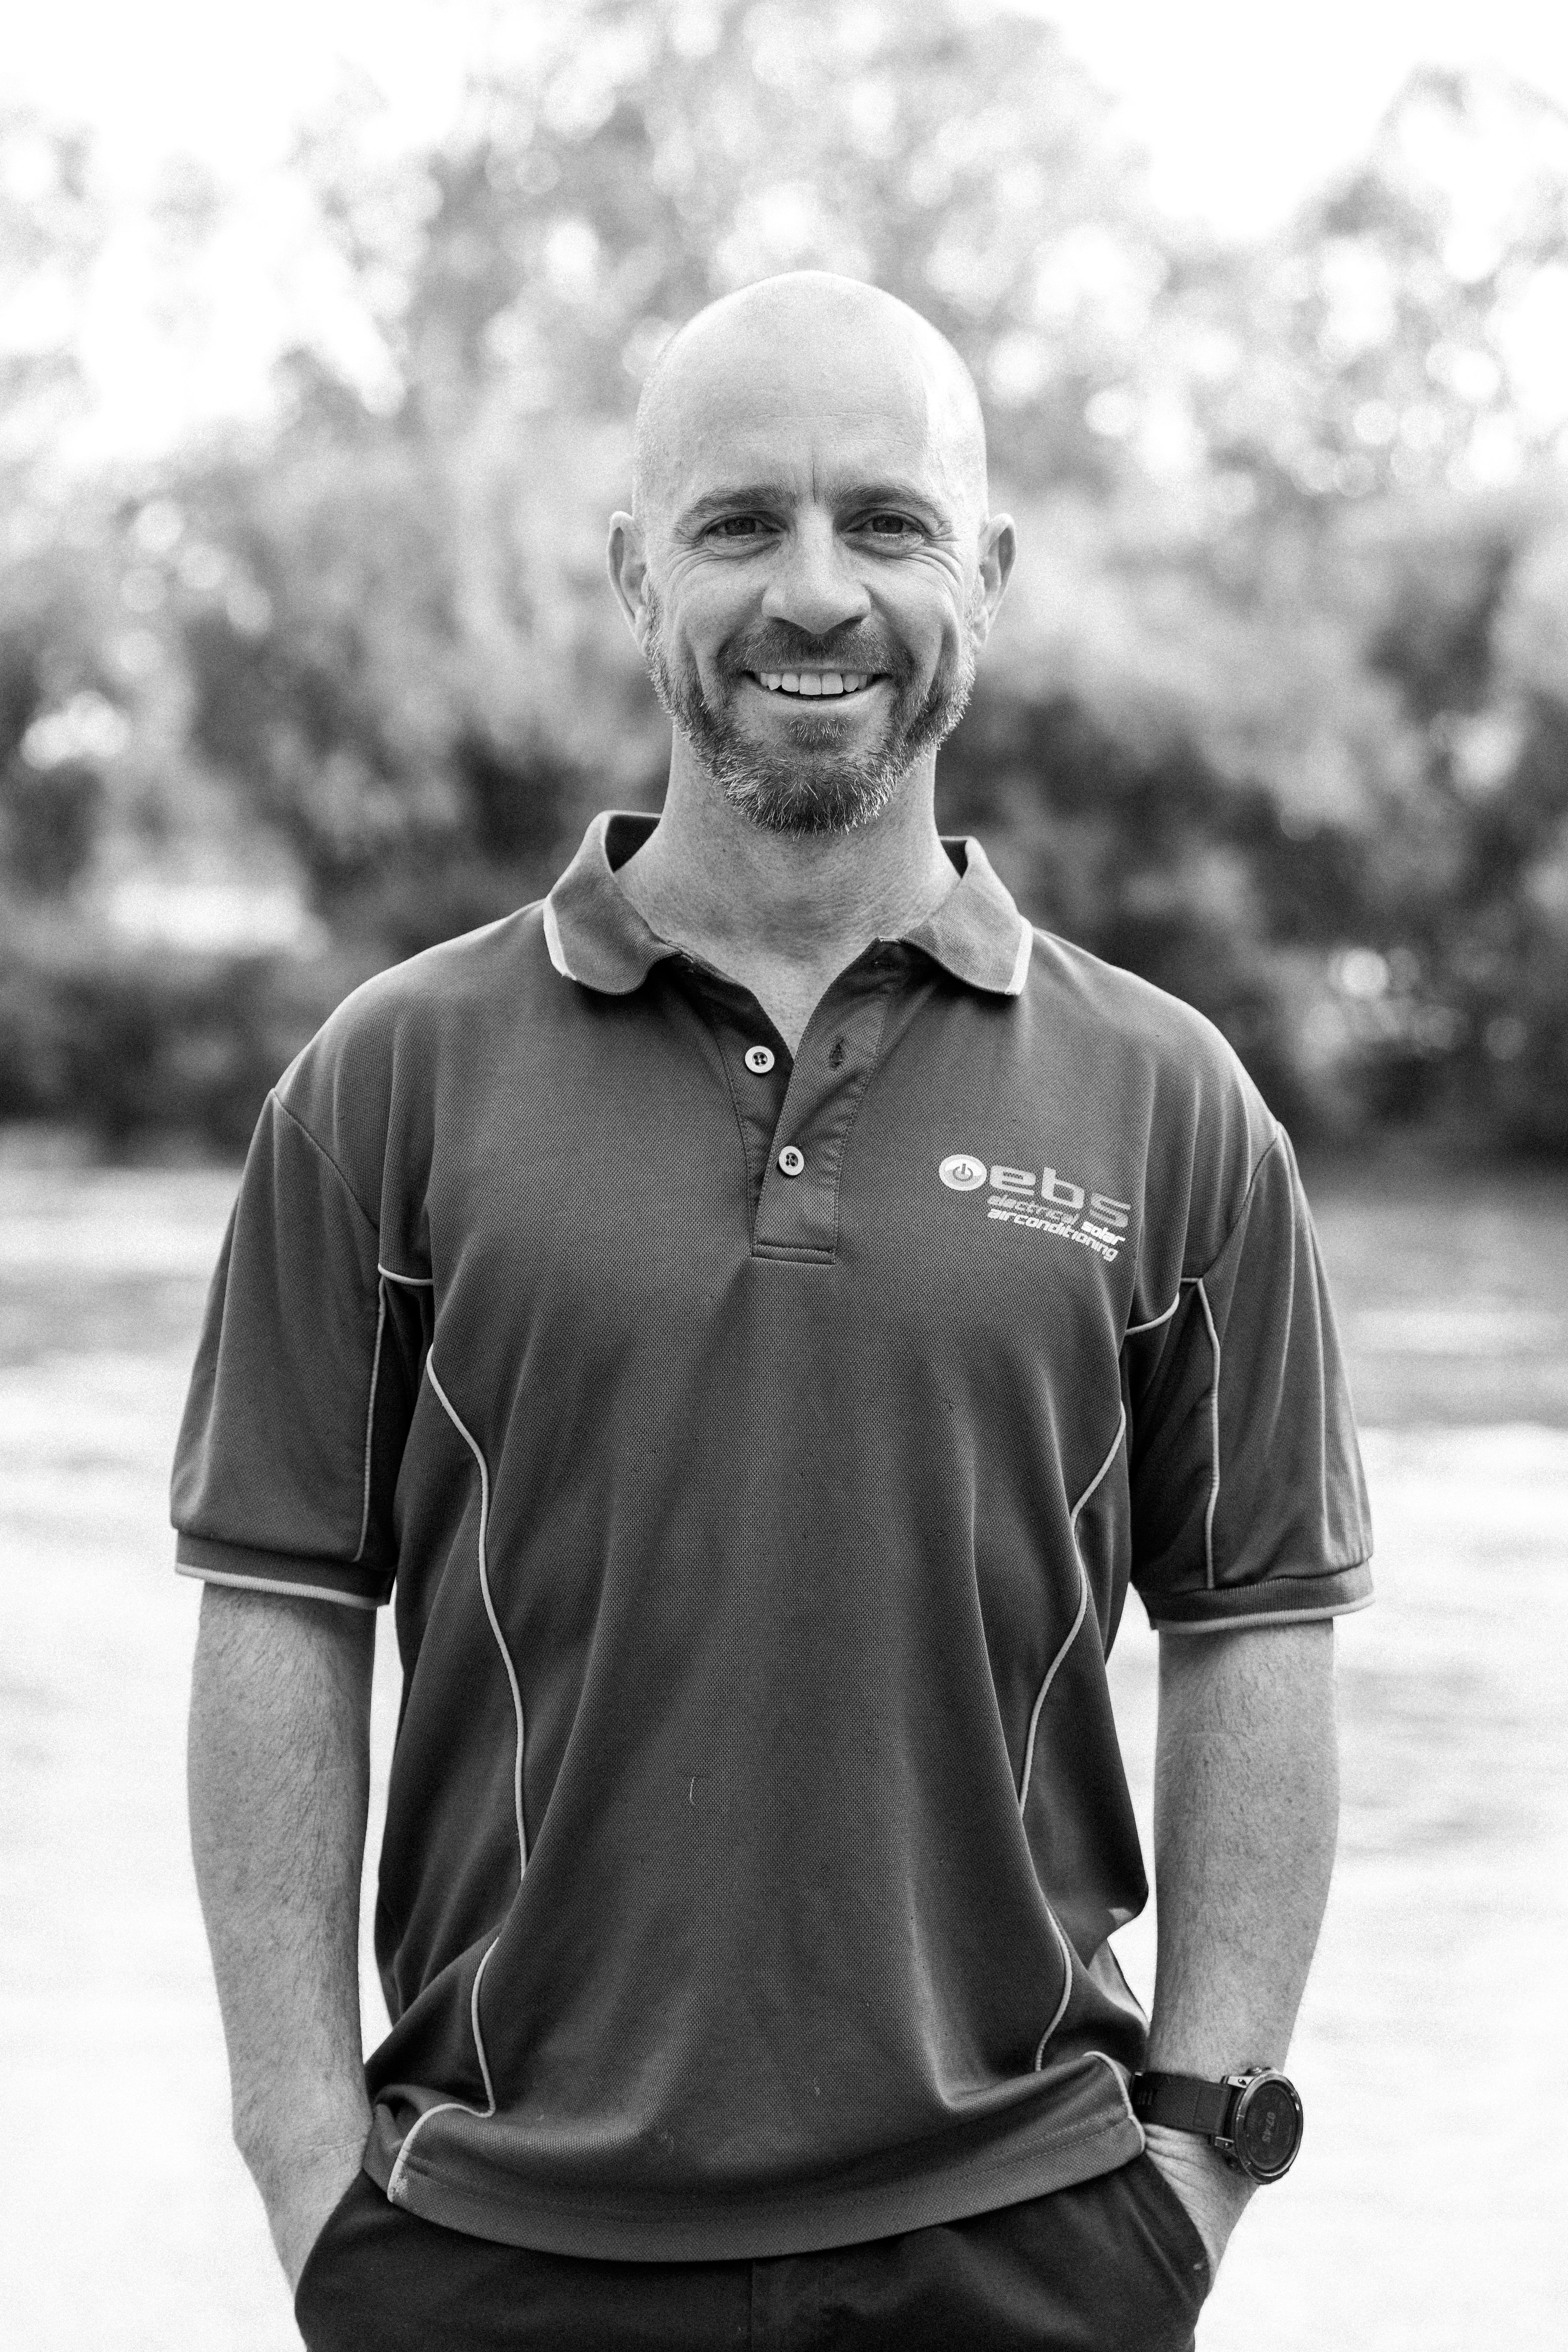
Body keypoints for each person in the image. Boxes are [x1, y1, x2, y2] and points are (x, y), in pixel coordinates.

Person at [177, 271, 1372, 2352]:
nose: (816, 592)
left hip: (1032, 2245)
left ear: (987, 576)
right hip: (491, 2254)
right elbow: (279, 1608)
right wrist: (305, 2171)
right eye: (741, 523)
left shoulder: (1174, 1106)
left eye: (887, 523)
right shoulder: (388, 1084)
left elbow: (1256, 1629)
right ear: (637, 571)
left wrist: (1193, 2168)